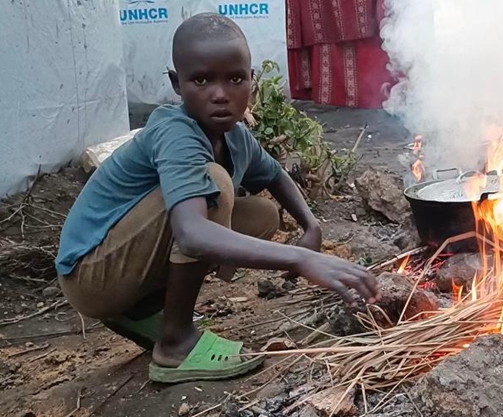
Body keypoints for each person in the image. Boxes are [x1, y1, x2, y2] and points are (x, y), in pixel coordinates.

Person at [56, 13, 379, 384]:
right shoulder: (176, 133)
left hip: (120, 259)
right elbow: (192, 233)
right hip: (91, 273)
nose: (221, 94)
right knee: (214, 184)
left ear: (251, 80)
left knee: (260, 215)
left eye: (235, 78)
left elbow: (274, 175)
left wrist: (310, 224)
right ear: (178, 85)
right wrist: (303, 258)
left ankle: (144, 309)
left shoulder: (234, 136)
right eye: (202, 80)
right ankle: (175, 345)